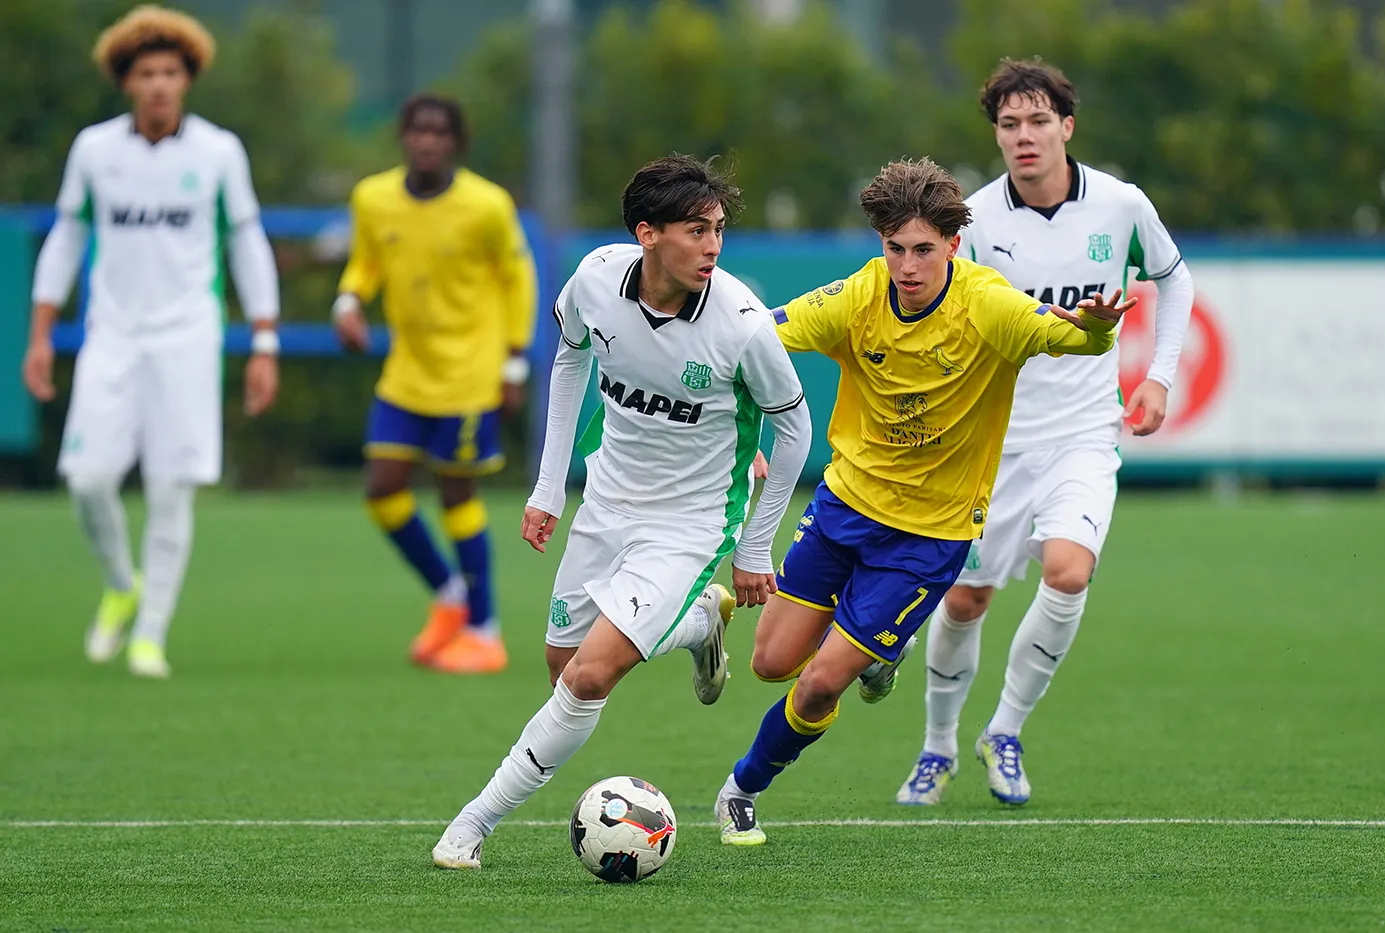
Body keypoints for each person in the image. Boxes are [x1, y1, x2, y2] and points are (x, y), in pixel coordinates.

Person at [711, 157, 1135, 846]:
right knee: (770, 664)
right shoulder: (859, 295)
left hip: (929, 538)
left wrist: (1097, 326)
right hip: (845, 509)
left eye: (924, 250)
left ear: (953, 246)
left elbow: (1073, 337)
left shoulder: (988, 304)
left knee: (820, 684)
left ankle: (742, 789)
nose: (907, 266)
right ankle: (876, 643)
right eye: (895, 248)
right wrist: (736, 423)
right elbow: (754, 339)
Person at [432, 155, 812, 869]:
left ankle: (472, 824)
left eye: (718, 230)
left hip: (691, 526)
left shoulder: (741, 324)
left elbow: (795, 428)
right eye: (696, 230)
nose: (712, 246)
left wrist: (756, 545)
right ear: (647, 233)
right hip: (605, 503)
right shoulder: (596, 278)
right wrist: (549, 487)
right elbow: (570, 359)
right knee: (561, 670)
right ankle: (700, 622)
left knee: (588, 678)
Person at [898, 59, 1194, 808]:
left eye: (1037, 121)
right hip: (991, 441)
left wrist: (1158, 376)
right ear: (996, 134)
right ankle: (937, 745)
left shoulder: (1121, 205)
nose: (1023, 135)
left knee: (1068, 571)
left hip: (1083, 433)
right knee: (966, 601)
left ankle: (1005, 729)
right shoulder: (972, 221)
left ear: (1067, 126)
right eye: (1009, 124)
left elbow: (1173, 277)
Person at [21, 4, 280, 679]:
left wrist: (265, 342)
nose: (159, 84)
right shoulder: (95, 150)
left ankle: (150, 635)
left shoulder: (218, 152)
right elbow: (67, 237)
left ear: (187, 79)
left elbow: (247, 244)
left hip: (187, 339)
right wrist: (40, 334)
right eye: (146, 73)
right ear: (126, 82)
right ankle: (121, 582)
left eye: (170, 72)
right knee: (87, 481)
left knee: (171, 489)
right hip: (111, 337)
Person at [333, 94, 537, 674]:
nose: (427, 141)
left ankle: (484, 631)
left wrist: (514, 362)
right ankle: (450, 595)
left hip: (469, 373)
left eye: (439, 132)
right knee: (382, 490)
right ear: (402, 137)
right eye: (417, 130)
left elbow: (518, 277)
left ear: (456, 143)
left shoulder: (486, 205)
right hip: (406, 371)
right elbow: (367, 261)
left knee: (457, 496)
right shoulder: (372, 198)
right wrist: (349, 300)